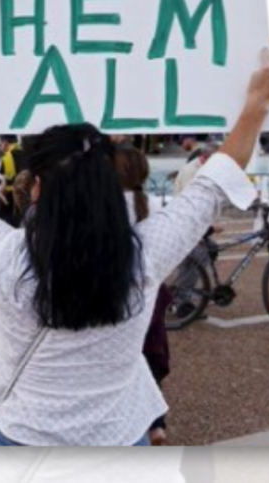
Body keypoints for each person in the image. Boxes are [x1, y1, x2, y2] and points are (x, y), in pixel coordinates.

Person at [0, 41, 269, 446]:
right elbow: (212, 187)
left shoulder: (4, 255)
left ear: (36, 188)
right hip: (119, 435)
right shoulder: (143, 256)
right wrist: (257, 106)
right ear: (108, 185)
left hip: (25, 435)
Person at [114, 144, 173, 446]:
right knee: (152, 351)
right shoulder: (149, 204)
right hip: (152, 288)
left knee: (125, 356)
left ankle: (134, 419)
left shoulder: (103, 206)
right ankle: (155, 422)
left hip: (118, 287)